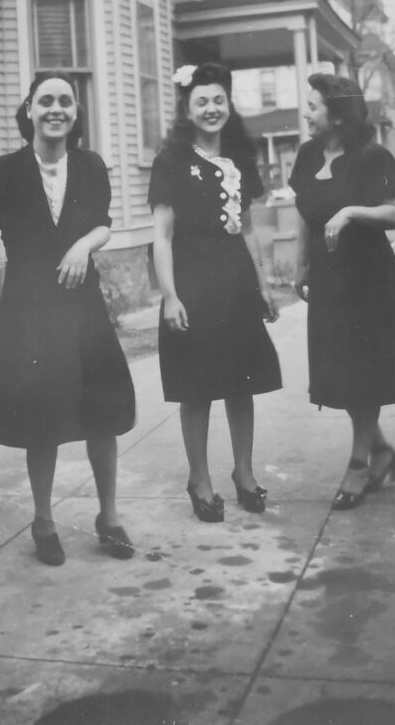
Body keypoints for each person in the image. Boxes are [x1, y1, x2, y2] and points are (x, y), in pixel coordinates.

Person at [0, 72, 136, 566]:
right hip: (30, 308)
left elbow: (103, 225)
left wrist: (82, 245)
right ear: (29, 110)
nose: (56, 109)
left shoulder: (92, 166)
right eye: (46, 100)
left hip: (82, 305)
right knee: (42, 418)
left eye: (66, 102)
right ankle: (44, 519)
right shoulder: (2, 172)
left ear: (76, 113)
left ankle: (109, 516)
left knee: (103, 414)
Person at [149, 62, 281, 522]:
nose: (211, 108)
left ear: (229, 103)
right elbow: (162, 234)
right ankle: (199, 478)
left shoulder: (241, 158)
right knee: (198, 386)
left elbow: (246, 228)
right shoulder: (171, 161)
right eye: (201, 101)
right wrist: (169, 295)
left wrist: (262, 284)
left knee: (241, 383)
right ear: (187, 108)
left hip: (235, 281)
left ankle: (243, 473)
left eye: (218, 99)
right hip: (192, 279)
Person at [290, 74, 395, 511]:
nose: (305, 113)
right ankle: (380, 449)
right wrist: (302, 263)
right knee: (340, 374)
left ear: (338, 113)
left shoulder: (371, 157)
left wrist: (351, 212)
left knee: (361, 373)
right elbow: (303, 214)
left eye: (312, 106)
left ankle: (360, 464)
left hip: (367, 280)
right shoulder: (307, 155)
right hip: (328, 280)